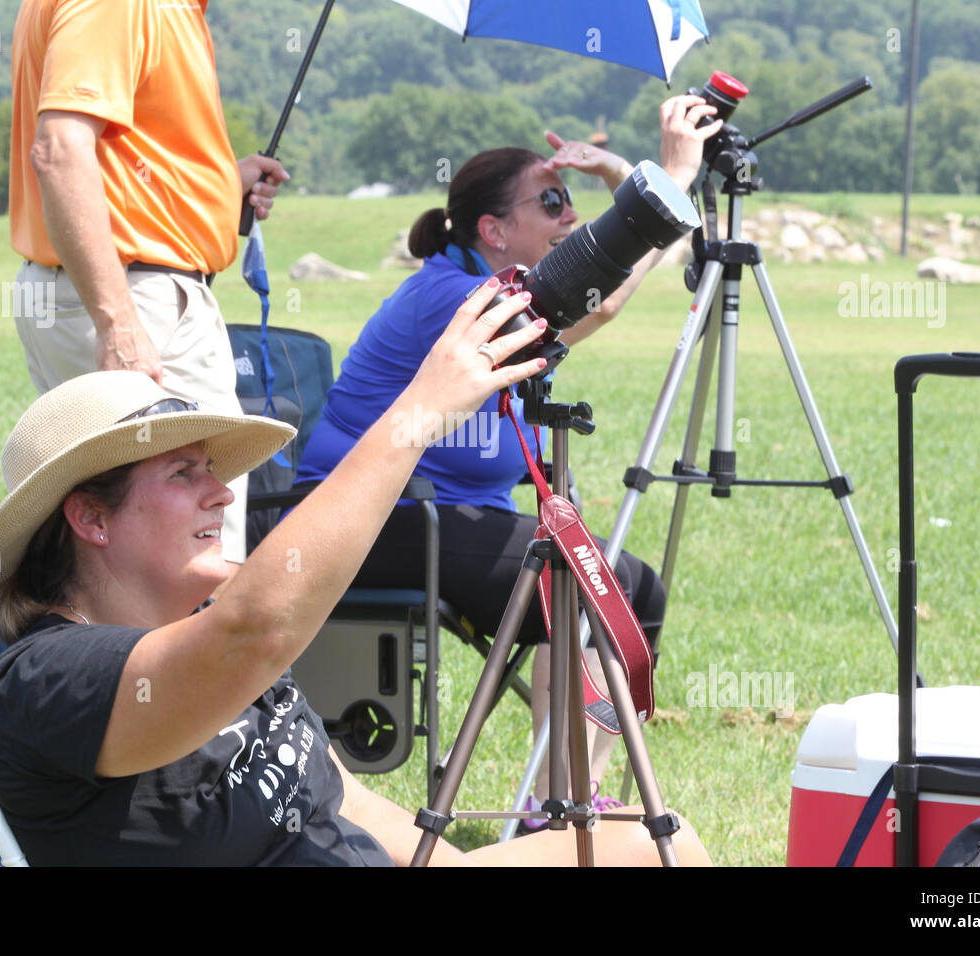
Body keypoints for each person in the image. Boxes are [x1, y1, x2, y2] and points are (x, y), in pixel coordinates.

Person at [0, 283, 711, 866]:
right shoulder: (47, 679)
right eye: (185, 473)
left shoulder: (195, 634)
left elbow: (343, 800)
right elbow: (253, 632)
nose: (222, 493)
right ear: (91, 518)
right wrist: (416, 415)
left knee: (656, 843)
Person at [295, 96, 724, 822]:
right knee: (591, 581)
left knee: (624, 589)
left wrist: (625, 173)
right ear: (493, 230)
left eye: (570, 200)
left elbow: (607, 269)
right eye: (551, 201)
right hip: (369, 523)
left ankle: (565, 797)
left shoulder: (493, 286)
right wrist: (673, 175)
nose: (569, 216)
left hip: (436, 517)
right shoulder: (459, 298)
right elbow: (604, 299)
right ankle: (558, 805)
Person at [7, 0, 288, 570]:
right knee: (188, 555)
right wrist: (117, 320)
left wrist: (214, 189)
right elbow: (59, 150)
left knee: (114, 549)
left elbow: (117, 160)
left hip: (120, 287)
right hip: (132, 296)